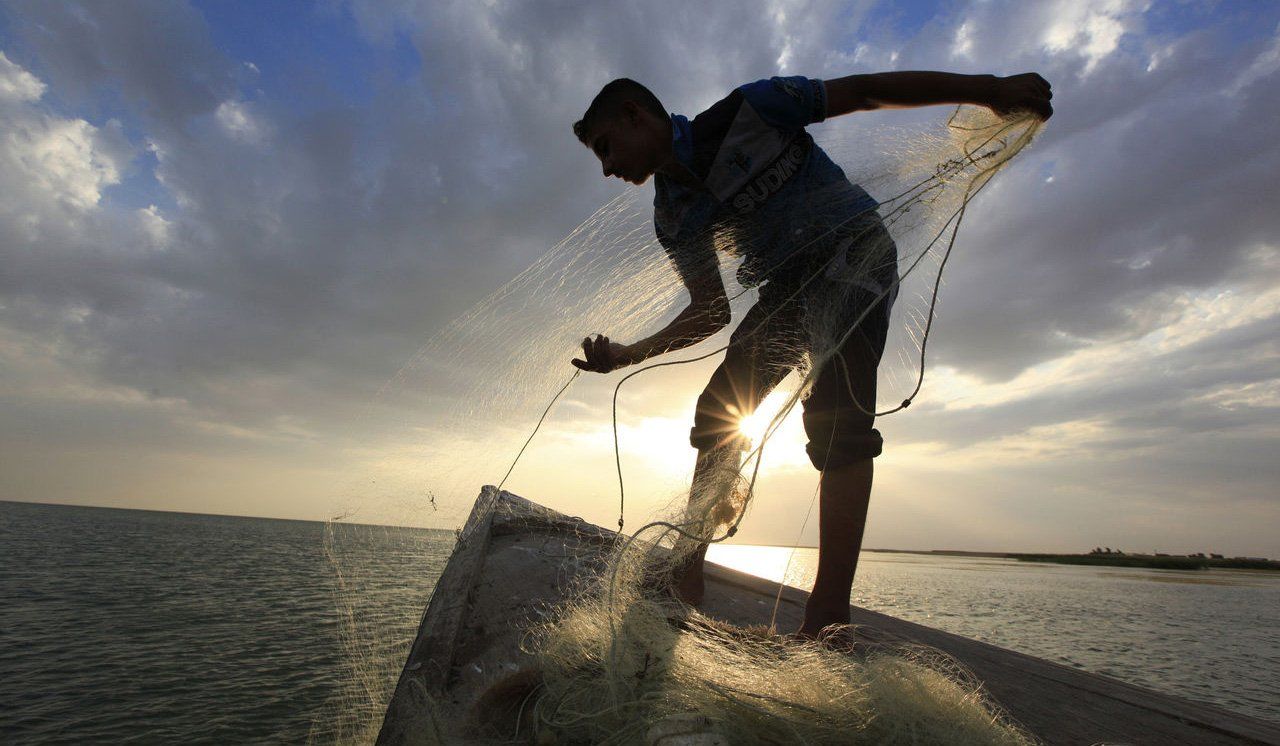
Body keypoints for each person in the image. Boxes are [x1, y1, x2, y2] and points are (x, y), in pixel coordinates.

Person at [569, 71, 1051, 638]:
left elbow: (864, 94)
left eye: (606, 148)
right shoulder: (673, 214)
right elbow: (710, 311)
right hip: (789, 290)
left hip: (855, 253)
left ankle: (828, 617)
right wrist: (628, 353)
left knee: (837, 425)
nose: (607, 168)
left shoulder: (754, 107)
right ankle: (686, 573)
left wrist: (990, 90)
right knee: (719, 410)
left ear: (634, 115)